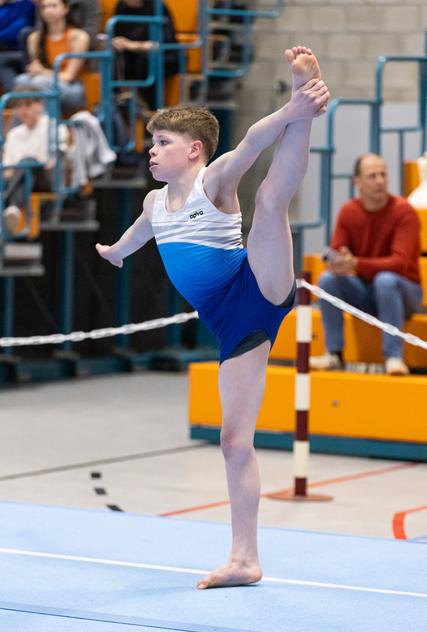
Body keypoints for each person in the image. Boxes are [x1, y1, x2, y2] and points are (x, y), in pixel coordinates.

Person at [96, 45, 329, 589]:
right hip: (231, 325)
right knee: (233, 441)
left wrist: (293, 113)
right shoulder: (156, 204)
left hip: (254, 285)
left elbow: (251, 143)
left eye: (162, 143)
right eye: (152, 143)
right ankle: (245, 559)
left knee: (271, 200)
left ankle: (306, 101)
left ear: (194, 150)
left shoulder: (215, 181)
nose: (151, 152)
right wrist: (118, 252)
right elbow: (141, 233)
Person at [310, 153, 423, 376]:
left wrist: (356, 264)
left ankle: (393, 357)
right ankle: (333, 354)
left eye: (383, 174)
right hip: (365, 289)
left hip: (404, 291)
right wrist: (338, 262)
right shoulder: (349, 211)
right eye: (372, 176)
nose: (380, 180)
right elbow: (339, 252)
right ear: (358, 182)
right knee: (327, 279)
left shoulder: (404, 212)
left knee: (386, 280)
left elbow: (399, 263)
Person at [1, 84, 68, 234]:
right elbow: (7, 170)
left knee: (28, 162)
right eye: (18, 107)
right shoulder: (14, 134)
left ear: (40, 105)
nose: (23, 111)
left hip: (44, 179)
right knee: (22, 168)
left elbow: (52, 164)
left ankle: (6, 200)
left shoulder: (55, 129)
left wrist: (24, 166)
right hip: (18, 182)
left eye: (28, 105)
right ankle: (13, 208)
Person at [14, 0, 90, 115]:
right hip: (44, 84)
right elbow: (37, 68)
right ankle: (18, 129)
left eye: (54, 6)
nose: (48, 10)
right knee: (21, 80)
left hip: (73, 89)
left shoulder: (79, 37)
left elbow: (69, 76)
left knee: (39, 82)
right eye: (44, 7)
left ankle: (49, 127)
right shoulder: (34, 38)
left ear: (66, 9)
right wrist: (34, 70)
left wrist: (43, 71)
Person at [111, 0, 179, 110]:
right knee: (111, 59)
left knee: (147, 62)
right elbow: (116, 34)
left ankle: (151, 108)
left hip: (164, 56)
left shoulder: (157, 6)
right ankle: (118, 104)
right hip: (132, 55)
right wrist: (116, 42)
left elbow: (162, 44)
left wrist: (132, 45)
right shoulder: (121, 6)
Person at [0, 0, 35, 92]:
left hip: (20, 51)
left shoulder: (27, 5)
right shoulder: (3, 7)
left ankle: (16, 98)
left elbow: (15, 32)